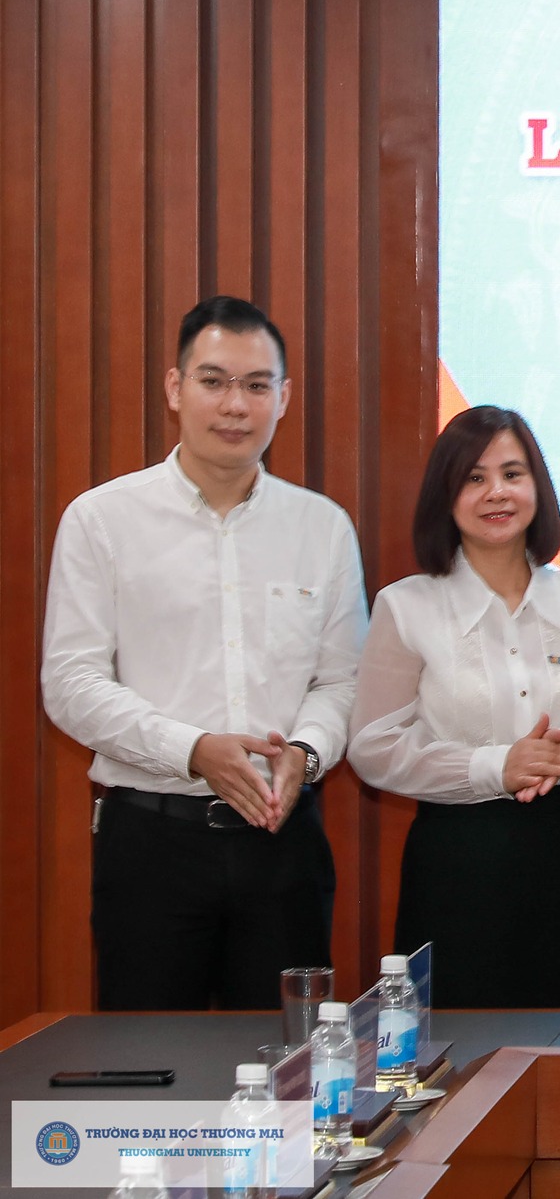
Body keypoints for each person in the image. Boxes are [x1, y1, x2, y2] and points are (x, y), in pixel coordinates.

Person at [41, 296, 366, 1010]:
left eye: (256, 385)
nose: (235, 405)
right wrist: (193, 750)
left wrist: (306, 753)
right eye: (213, 381)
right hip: (152, 841)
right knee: (148, 1062)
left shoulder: (322, 527)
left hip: (282, 842)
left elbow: (342, 680)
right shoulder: (102, 519)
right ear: (174, 388)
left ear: (283, 398)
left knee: (291, 1062)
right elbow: (70, 681)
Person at [348, 406, 560, 1010]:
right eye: (474, 478)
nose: (496, 492)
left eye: (512, 474)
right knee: (458, 1044)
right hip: (456, 860)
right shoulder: (406, 606)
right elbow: (374, 746)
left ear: (537, 488)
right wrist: (497, 766)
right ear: (445, 496)